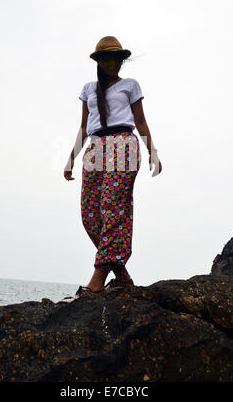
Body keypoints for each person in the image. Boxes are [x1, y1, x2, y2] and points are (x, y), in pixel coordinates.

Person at [64, 36, 162, 298]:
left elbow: (140, 121)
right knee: (90, 213)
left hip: (123, 143)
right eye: (107, 58)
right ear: (98, 61)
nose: (113, 62)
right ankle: (120, 274)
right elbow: (84, 127)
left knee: (113, 206)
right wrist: (71, 158)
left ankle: (97, 279)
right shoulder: (88, 89)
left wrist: (153, 152)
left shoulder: (130, 85)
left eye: (117, 58)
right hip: (95, 148)